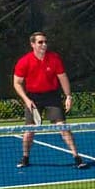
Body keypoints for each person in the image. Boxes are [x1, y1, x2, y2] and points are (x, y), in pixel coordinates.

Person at [12, 31, 87, 169]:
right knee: (29, 131)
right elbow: (17, 83)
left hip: (52, 96)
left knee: (63, 127)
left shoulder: (54, 59)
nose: (44, 44)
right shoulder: (24, 61)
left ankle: (77, 157)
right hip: (33, 97)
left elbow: (62, 77)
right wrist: (26, 100)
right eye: (40, 42)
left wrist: (68, 96)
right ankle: (25, 157)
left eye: (45, 42)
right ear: (32, 44)